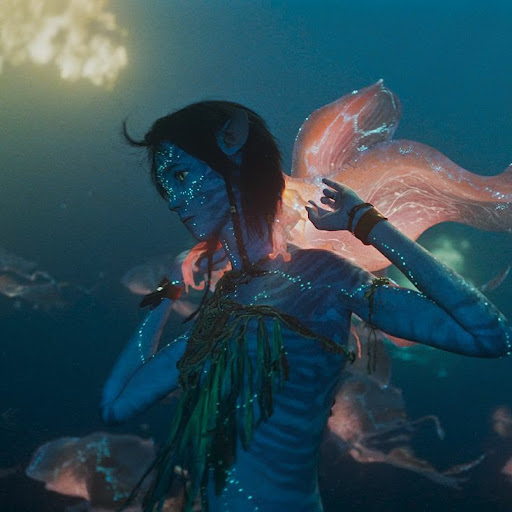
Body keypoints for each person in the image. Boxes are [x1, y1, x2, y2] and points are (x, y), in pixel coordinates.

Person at [101, 101, 511, 512]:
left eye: (180, 175)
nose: (173, 200)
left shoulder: (321, 276)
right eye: (166, 185)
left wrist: (368, 224)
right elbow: (117, 405)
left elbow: (488, 335)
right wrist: (168, 292)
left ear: (235, 153)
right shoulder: (222, 308)